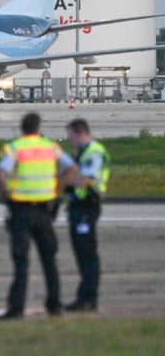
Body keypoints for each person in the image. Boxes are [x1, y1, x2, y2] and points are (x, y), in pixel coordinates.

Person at [0, 112, 75, 320]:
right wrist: (57, 191)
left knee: (21, 262)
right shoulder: (50, 147)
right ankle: (54, 305)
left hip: (21, 210)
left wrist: (7, 198)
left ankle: (16, 308)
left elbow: (1, 174)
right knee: (49, 260)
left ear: (22, 128)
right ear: (38, 128)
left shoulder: (15, 148)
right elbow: (71, 168)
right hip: (44, 211)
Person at [64, 118, 110, 312]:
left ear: (79, 132)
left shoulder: (94, 152)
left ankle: (89, 298)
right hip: (78, 207)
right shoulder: (82, 153)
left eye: (71, 136)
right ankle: (84, 297)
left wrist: (65, 179)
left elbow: (86, 180)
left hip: (87, 207)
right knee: (82, 253)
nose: (70, 140)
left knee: (87, 253)